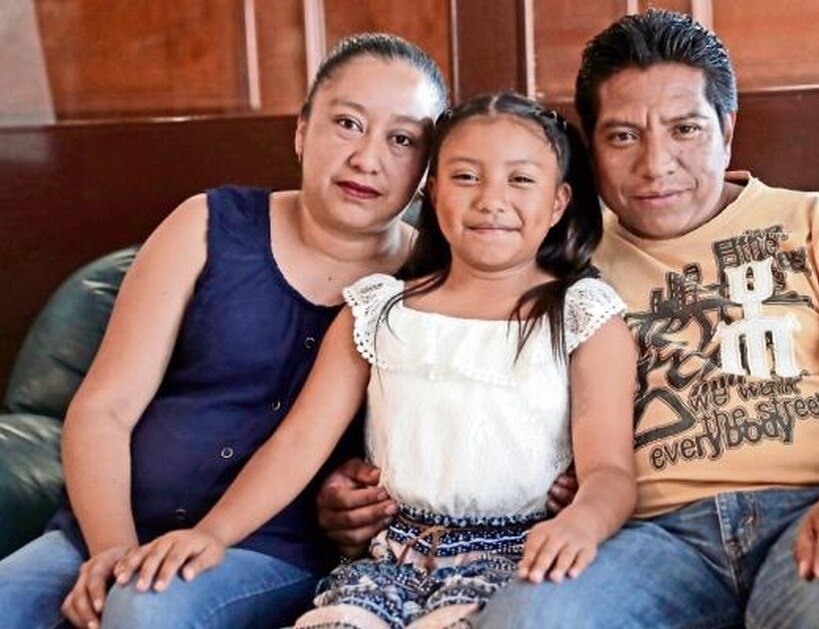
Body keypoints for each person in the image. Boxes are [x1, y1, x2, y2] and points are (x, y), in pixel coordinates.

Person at [333, 11, 819, 628]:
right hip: (647, 538)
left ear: (728, 126)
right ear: (588, 153)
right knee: (534, 618)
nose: (655, 163)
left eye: (685, 129)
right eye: (623, 135)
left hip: (816, 510)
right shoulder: (552, 256)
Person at [112, 92, 638, 629]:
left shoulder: (583, 315)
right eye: (466, 177)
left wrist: (582, 524)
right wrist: (212, 534)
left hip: (515, 559)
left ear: (559, 202)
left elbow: (610, 470)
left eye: (521, 180)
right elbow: (298, 443)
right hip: (386, 560)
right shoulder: (377, 308)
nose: (490, 200)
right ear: (431, 193)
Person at [0, 33, 449, 629]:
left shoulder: (431, 285)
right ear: (301, 130)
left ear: (426, 169)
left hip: (273, 550)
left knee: (146, 610)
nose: (368, 158)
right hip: (109, 527)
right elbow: (103, 409)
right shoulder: (206, 225)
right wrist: (112, 551)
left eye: (402, 140)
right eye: (347, 123)